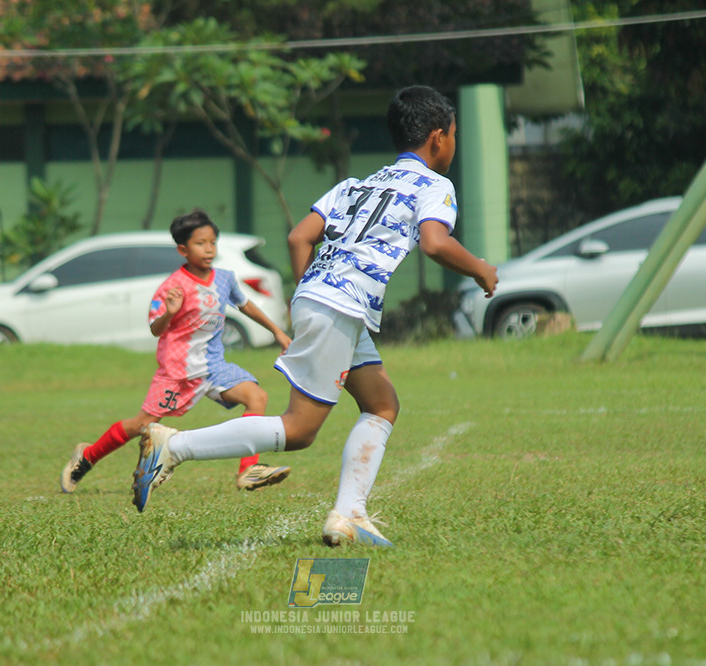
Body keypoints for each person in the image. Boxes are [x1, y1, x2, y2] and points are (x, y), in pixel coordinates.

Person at [131, 85, 499, 547]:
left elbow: (297, 237)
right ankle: (174, 446)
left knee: (382, 404)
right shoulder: (436, 186)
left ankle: (350, 514)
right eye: (455, 135)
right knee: (300, 428)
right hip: (338, 305)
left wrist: (312, 291)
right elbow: (435, 243)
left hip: (326, 299)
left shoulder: (356, 185)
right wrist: (482, 269)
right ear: (439, 137)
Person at [61, 209, 294, 494]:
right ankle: (86, 457)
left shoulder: (225, 278)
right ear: (182, 249)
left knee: (257, 397)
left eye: (212, 242)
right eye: (200, 243)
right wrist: (169, 313)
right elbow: (155, 329)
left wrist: (277, 331)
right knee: (140, 425)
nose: (209, 249)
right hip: (178, 373)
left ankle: (249, 470)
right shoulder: (172, 287)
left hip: (213, 366)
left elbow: (245, 304)